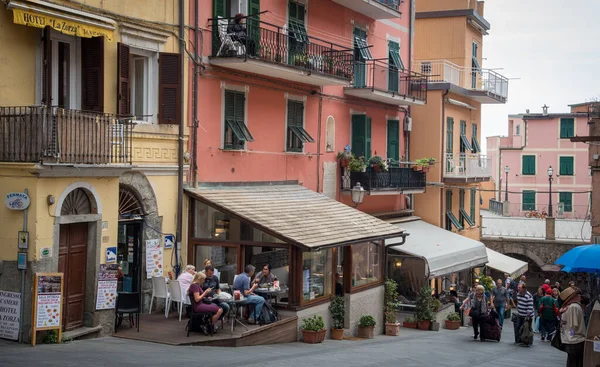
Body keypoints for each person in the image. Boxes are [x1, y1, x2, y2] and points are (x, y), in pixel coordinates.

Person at [559, 287, 585, 367]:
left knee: (572, 362)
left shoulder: (568, 307)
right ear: (573, 297)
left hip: (571, 340)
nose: (579, 296)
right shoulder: (574, 307)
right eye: (577, 294)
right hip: (575, 340)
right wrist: (572, 334)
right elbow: (573, 326)